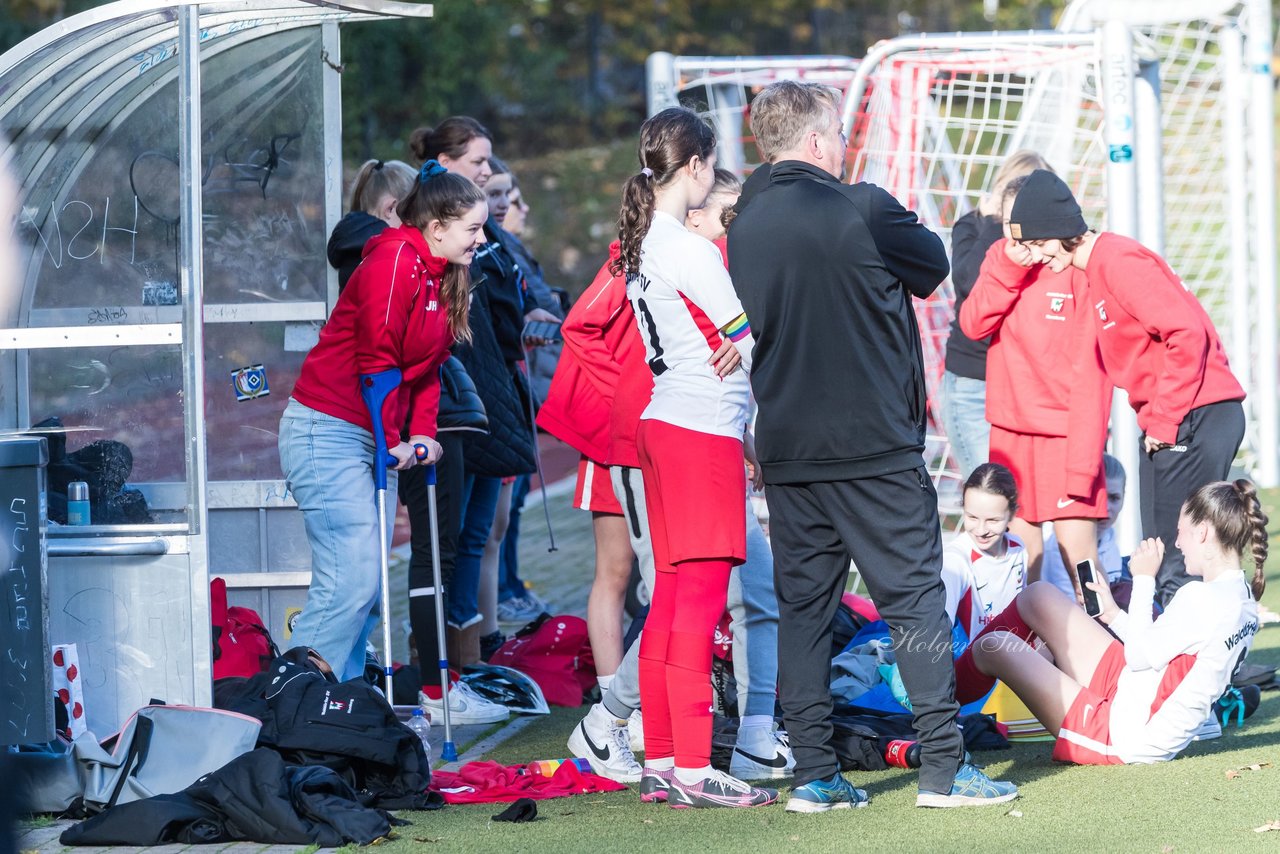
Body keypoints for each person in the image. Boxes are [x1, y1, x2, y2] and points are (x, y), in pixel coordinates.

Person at [727, 79, 1017, 811]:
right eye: (836, 133)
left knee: (804, 610)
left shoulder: (745, 223)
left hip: (790, 447)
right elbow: (932, 266)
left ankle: (815, 776)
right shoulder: (861, 205)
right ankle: (945, 771)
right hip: (874, 446)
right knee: (915, 601)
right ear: (820, 140)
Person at [616, 107, 774, 809]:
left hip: (667, 423)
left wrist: (736, 343)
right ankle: (691, 764)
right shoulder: (686, 246)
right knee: (698, 605)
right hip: (698, 427)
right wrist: (750, 339)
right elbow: (746, 331)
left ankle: (661, 761)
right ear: (699, 168)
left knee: (671, 600)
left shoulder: (645, 240)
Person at [279, 163, 485, 682]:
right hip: (329, 426)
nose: (481, 239)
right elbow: (377, 360)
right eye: (473, 229)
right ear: (437, 227)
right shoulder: (395, 260)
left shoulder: (442, 276)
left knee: (365, 589)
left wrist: (422, 436)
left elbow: (427, 371)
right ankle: (295, 696)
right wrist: (394, 440)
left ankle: (339, 705)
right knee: (351, 577)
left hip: (371, 434)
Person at [1005, 169, 1247, 606]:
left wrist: (1164, 420)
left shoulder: (1116, 261)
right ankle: (1190, 665)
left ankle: (1197, 672)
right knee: (1160, 552)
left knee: (1180, 562)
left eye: (1039, 243)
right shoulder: (1097, 268)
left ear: (1063, 232)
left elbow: (1187, 332)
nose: (1037, 255)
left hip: (1194, 413)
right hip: (1174, 417)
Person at [954, 479, 1264, 764]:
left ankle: (935, 712)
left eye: (1180, 531)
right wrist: (1113, 614)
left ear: (1203, 533)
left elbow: (1140, 655)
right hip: (1132, 694)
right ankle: (949, 698)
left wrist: (1143, 580)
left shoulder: (1202, 597)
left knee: (994, 646)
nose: (1178, 543)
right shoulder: (1240, 596)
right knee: (1039, 596)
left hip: (1123, 735)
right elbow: (1157, 648)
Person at [960, 167, 1112, 594]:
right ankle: (1023, 658)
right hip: (1012, 438)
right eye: (1011, 233)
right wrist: (1008, 265)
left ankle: (1104, 653)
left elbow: (1093, 372)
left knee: (1084, 570)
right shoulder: (1002, 259)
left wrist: (1083, 463)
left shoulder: (1078, 271)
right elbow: (972, 323)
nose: (1022, 244)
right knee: (1022, 572)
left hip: (1065, 441)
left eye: (1027, 235)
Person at [941, 151, 1051, 477]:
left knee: (1027, 497)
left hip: (1026, 385)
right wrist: (995, 222)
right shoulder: (975, 225)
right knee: (993, 493)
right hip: (974, 383)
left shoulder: (1045, 238)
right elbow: (969, 280)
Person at [942, 463, 1028, 644]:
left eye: (992, 520)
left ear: (1011, 514)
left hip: (1014, 653)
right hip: (973, 662)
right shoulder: (955, 561)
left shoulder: (1018, 549)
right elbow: (941, 628)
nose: (981, 530)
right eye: (972, 517)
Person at [1041, 455, 1127, 599]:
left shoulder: (1110, 539)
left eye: (1114, 498)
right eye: (1099, 498)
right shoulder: (1057, 547)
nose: (1106, 507)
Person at [326, 159, 417, 293]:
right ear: (391, 209)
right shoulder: (387, 259)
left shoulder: (354, 248)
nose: (419, 224)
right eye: (414, 214)